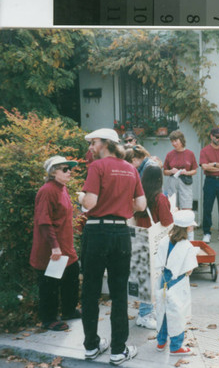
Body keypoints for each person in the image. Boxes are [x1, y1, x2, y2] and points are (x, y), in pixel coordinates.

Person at [79, 128, 146, 366]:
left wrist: (80, 197)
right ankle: (118, 350)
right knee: (119, 293)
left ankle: (91, 345)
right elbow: (141, 204)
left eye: (93, 142)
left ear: (105, 143)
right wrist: (119, 202)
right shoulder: (131, 169)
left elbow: (90, 202)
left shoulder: (96, 167)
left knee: (90, 290)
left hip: (96, 231)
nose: (90, 147)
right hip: (120, 231)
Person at [30, 156, 80, 332]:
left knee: (72, 275)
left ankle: (68, 310)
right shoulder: (47, 191)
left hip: (66, 246)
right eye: (64, 169)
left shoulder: (62, 188)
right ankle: (49, 319)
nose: (69, 172)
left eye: (69, 169)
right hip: (52, 249)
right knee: (50, 283)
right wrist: (54, 246)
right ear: (53, 172)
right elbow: (44, 221)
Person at [132, 165, 174, 330]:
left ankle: (145, 311)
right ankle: (144, 314)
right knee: (154, 277)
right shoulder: (160, 198)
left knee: (144, 278)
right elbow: (166, 221)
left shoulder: (140, 198)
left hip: (140, 237)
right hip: (155, 241)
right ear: (159, 179)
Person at [154, 210, 198, 356]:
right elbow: (189, 270)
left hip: (163, 280)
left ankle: (161, 342)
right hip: (178, 282)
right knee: (178, 313)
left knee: (162, 310)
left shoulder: (163, 241)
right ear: (189, 227)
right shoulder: (188, 247)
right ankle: (176, 346)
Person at [163, 130, 197, 220]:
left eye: (176, 141)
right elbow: (165, 171)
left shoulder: (190, 154)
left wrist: (187, 172)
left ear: (181, 140)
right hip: (172, 183)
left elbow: (194, 170)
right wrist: (171, 171)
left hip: (186, 182)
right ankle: (175, 232)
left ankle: (189, 233)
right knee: (173, 208)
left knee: (187, 211)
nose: (174, 143)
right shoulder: (169, 155)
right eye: (172, 141)